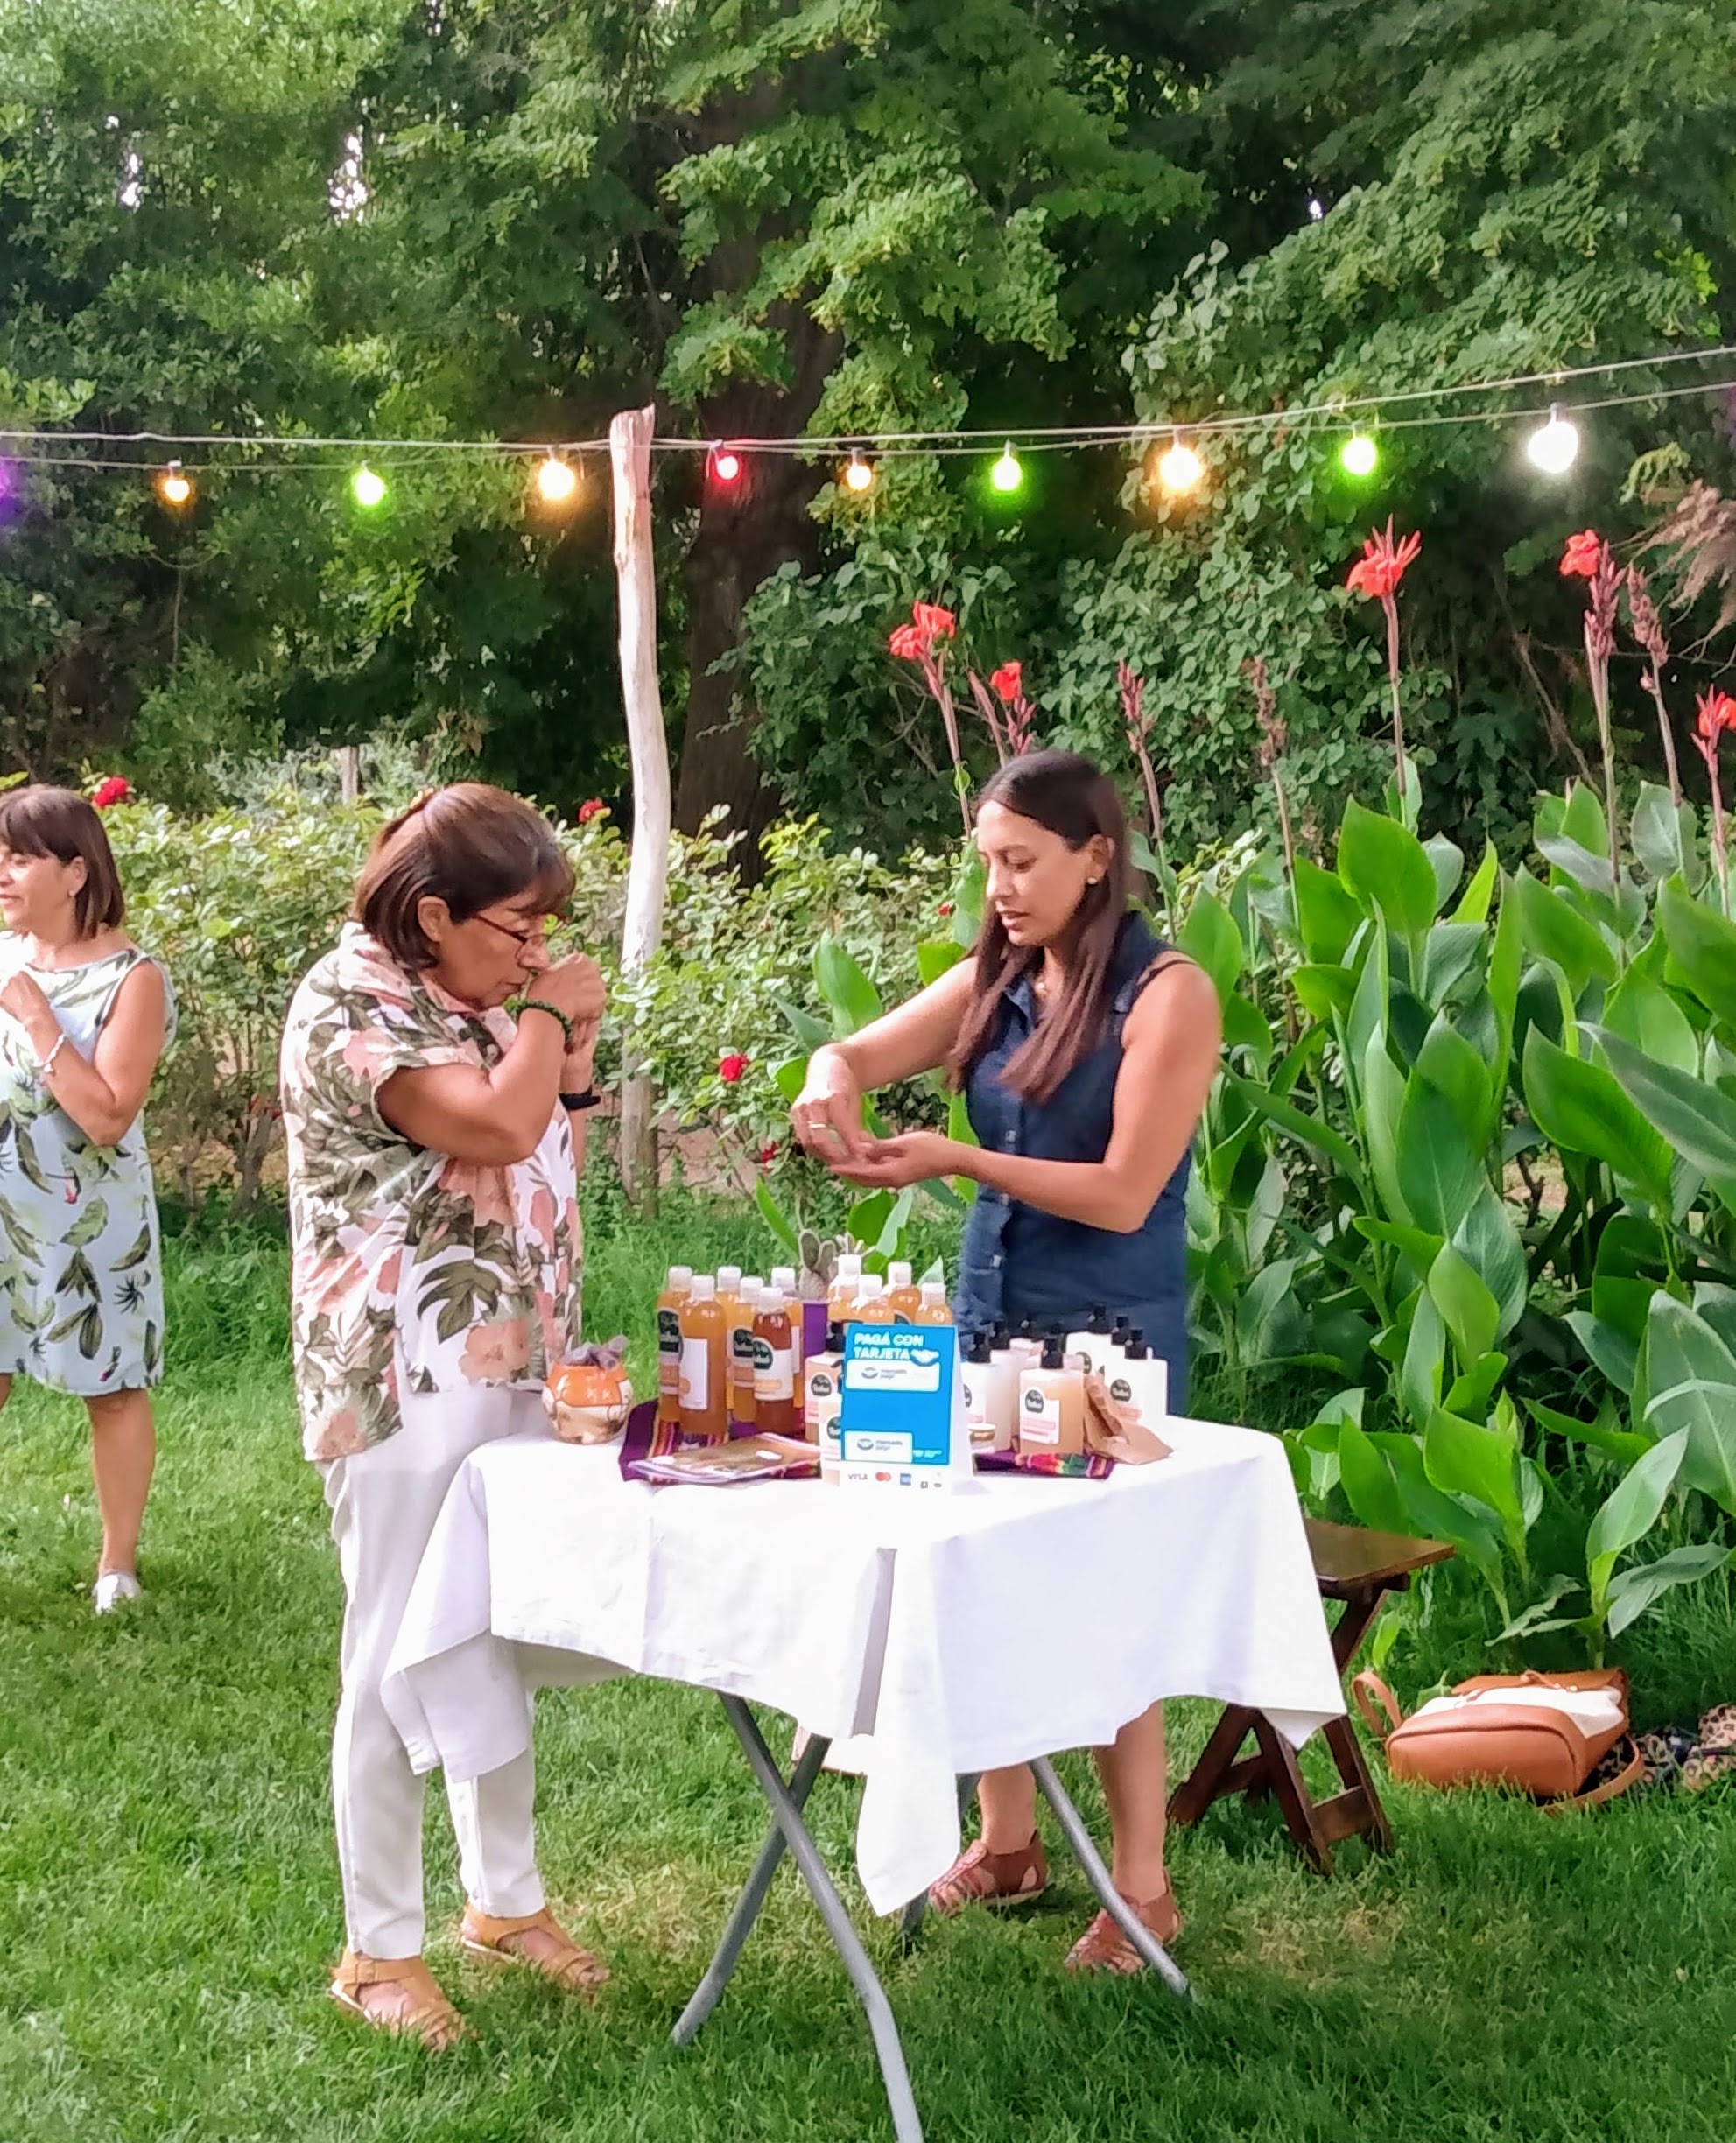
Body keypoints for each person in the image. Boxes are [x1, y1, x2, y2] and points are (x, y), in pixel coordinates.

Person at [791, 748, 1220, 1972]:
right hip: (986, 1319)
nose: (1000, 888)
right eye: (987, 863)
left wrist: (953, 1157)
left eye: (1021, 863)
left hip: (1108, 1336)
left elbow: (1127, 1190)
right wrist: (829, 1089)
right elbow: (854, 1055)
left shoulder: (1165, 995)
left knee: (1106, 1602)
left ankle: (1139, 1890)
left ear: (1096, 857)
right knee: (982, 1575)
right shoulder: (998, 976)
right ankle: (1010, 1840)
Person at [280, 783, 608, 2049]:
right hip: (399, 1372)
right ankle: (376, 1949)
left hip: (517, 1352)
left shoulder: (468, 995)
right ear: (432, 912)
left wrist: (551, 1037)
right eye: (517, 931)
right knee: (393, 1644)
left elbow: (546, 1117)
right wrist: (542, 1015)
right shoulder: (349, 1001)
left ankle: (504, 1903)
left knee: (493, 1622)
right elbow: (494, 1119)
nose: (536, 954)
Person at [0, 784, 174, 1614]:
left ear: (75, 872)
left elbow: (108, 1115)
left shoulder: (131, 978)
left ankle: (117, 1568)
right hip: (2, 1215)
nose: (2, 873)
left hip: (89, 1225)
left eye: (19, 856)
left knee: (109, 1385)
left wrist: (37, 1018)